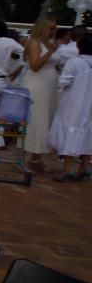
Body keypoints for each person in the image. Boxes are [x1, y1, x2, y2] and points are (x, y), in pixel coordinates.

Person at [48, 34, 92, 182]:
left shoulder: (74, 62)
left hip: (74, 104)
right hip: (89, 106)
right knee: (87, 135)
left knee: (70, 134)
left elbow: (63, 83)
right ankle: (83, 168)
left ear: (79, 46)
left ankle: (67, 169)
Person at [20, 16, 60, 173]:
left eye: (55, 28)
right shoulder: (35, 43)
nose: (54, 31)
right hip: (36, 85)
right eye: (51, 28)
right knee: (34, 120)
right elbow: (35, 65)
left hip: (49, 86)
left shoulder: (50, 44)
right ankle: (23, 158)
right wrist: (50, 52)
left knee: (45, 121)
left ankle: (37, 158)